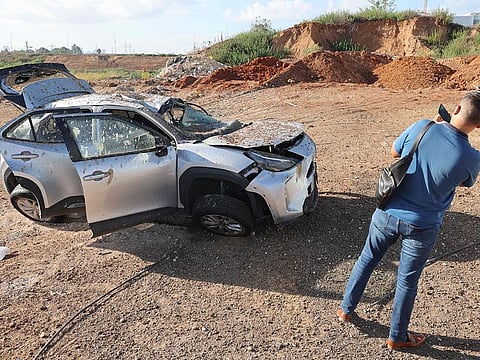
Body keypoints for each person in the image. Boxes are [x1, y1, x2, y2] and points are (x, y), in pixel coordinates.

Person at [337, 91, 480, 350]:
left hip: (387, 212)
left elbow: (395, 152)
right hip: (423, 225)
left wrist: (431, 129)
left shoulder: (423, 126)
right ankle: (397, 336)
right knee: (407, 280)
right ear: (479, 125)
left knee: (367, 260)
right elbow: (464, 182)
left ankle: (346, 310)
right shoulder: (472, 158)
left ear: (456, 108)